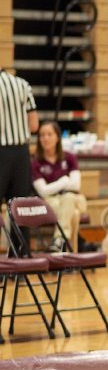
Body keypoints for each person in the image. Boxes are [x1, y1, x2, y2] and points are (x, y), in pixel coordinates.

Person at [31, 120, 88, 252]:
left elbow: (76, 185)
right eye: (42, 135)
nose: (45, 138)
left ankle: (59, 240)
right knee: (73, 214)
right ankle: (68, 254)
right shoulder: (36, 162)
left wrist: (54, 187)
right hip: (51, 201)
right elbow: (43, 191)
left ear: (57, 137)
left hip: (75, 199)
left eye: (49, 134)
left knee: (69, 198)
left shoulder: (70, 157)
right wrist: (63, 181)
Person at [0, 67, 38, 252]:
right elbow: (34, 125)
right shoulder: (23, 84)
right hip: (21, 154)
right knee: (20, 209)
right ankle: (21, 259)